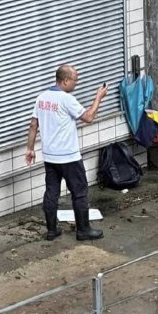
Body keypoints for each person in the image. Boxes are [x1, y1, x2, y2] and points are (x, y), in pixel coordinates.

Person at [25, 64, 108, 242]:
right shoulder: (66, 99)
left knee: (51, 192)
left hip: (50, 156)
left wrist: (30, 149)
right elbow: (88, 117)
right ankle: (83, 231)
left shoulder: (41, 98)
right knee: (79, 192)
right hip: (69, 157)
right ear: (65, 80)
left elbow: (33, 125)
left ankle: (52, 230)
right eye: (75, 80)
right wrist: (98, 98)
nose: (76, 84)